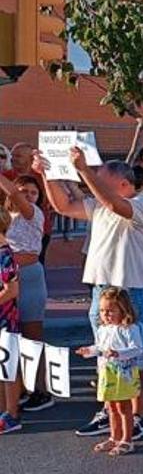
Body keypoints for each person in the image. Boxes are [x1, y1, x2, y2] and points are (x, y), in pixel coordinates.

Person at [34, 150, 143, 440]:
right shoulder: (99, 205)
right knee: (106, 355)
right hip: (102, 290)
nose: (93, 184)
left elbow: (114, 204)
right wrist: (46, 174)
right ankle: (109, 410)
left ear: (124, 183)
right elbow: (64, 205)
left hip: (131, 290)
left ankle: (138, 416)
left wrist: (84, 171)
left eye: (101, 179)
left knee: (133, 356)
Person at [75, 288, 143, 457]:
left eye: (110, 311)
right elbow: (100, 348)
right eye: (102, 311)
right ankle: (114, 437)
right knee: (112, 407)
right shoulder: (103, 329)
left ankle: (127, 440)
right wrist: (89, 351)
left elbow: (137, 348)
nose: (106, 314)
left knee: (124, 407)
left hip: (123, 374)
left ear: (123, 309)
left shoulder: (129, 328)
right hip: (107, 372)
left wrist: (119, 353)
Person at [1, 173, 52, 412]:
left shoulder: (33, 214)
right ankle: (19, 389)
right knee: (11, 338)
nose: (29, 196)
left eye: (34, 192)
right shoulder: (5, 216)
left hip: (29, 276)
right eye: (25, 191)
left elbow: (12, 193)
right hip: (7, 277)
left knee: (32, 335)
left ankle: (40, 390)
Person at [0, 211, 21, 434]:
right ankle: (3, 411)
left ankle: (12, 413)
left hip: (6, 319)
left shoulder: (5, 255)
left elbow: (12, 290)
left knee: (8, 368)